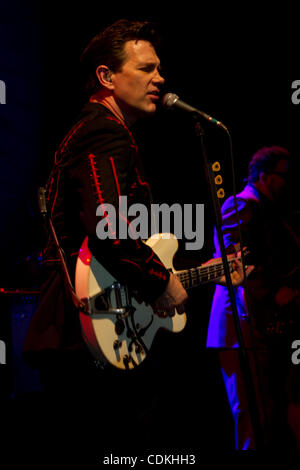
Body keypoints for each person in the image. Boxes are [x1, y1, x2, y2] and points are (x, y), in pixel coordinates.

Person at [206, 145, 300, 450]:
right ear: (264, 176)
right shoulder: (240, 205)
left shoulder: (271, 213)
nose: (289, 184)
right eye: (284, 176)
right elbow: (231, 264)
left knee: (272, 415)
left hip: (261, 326)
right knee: (253, 416)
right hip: (240, 327)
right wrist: (276, 291)